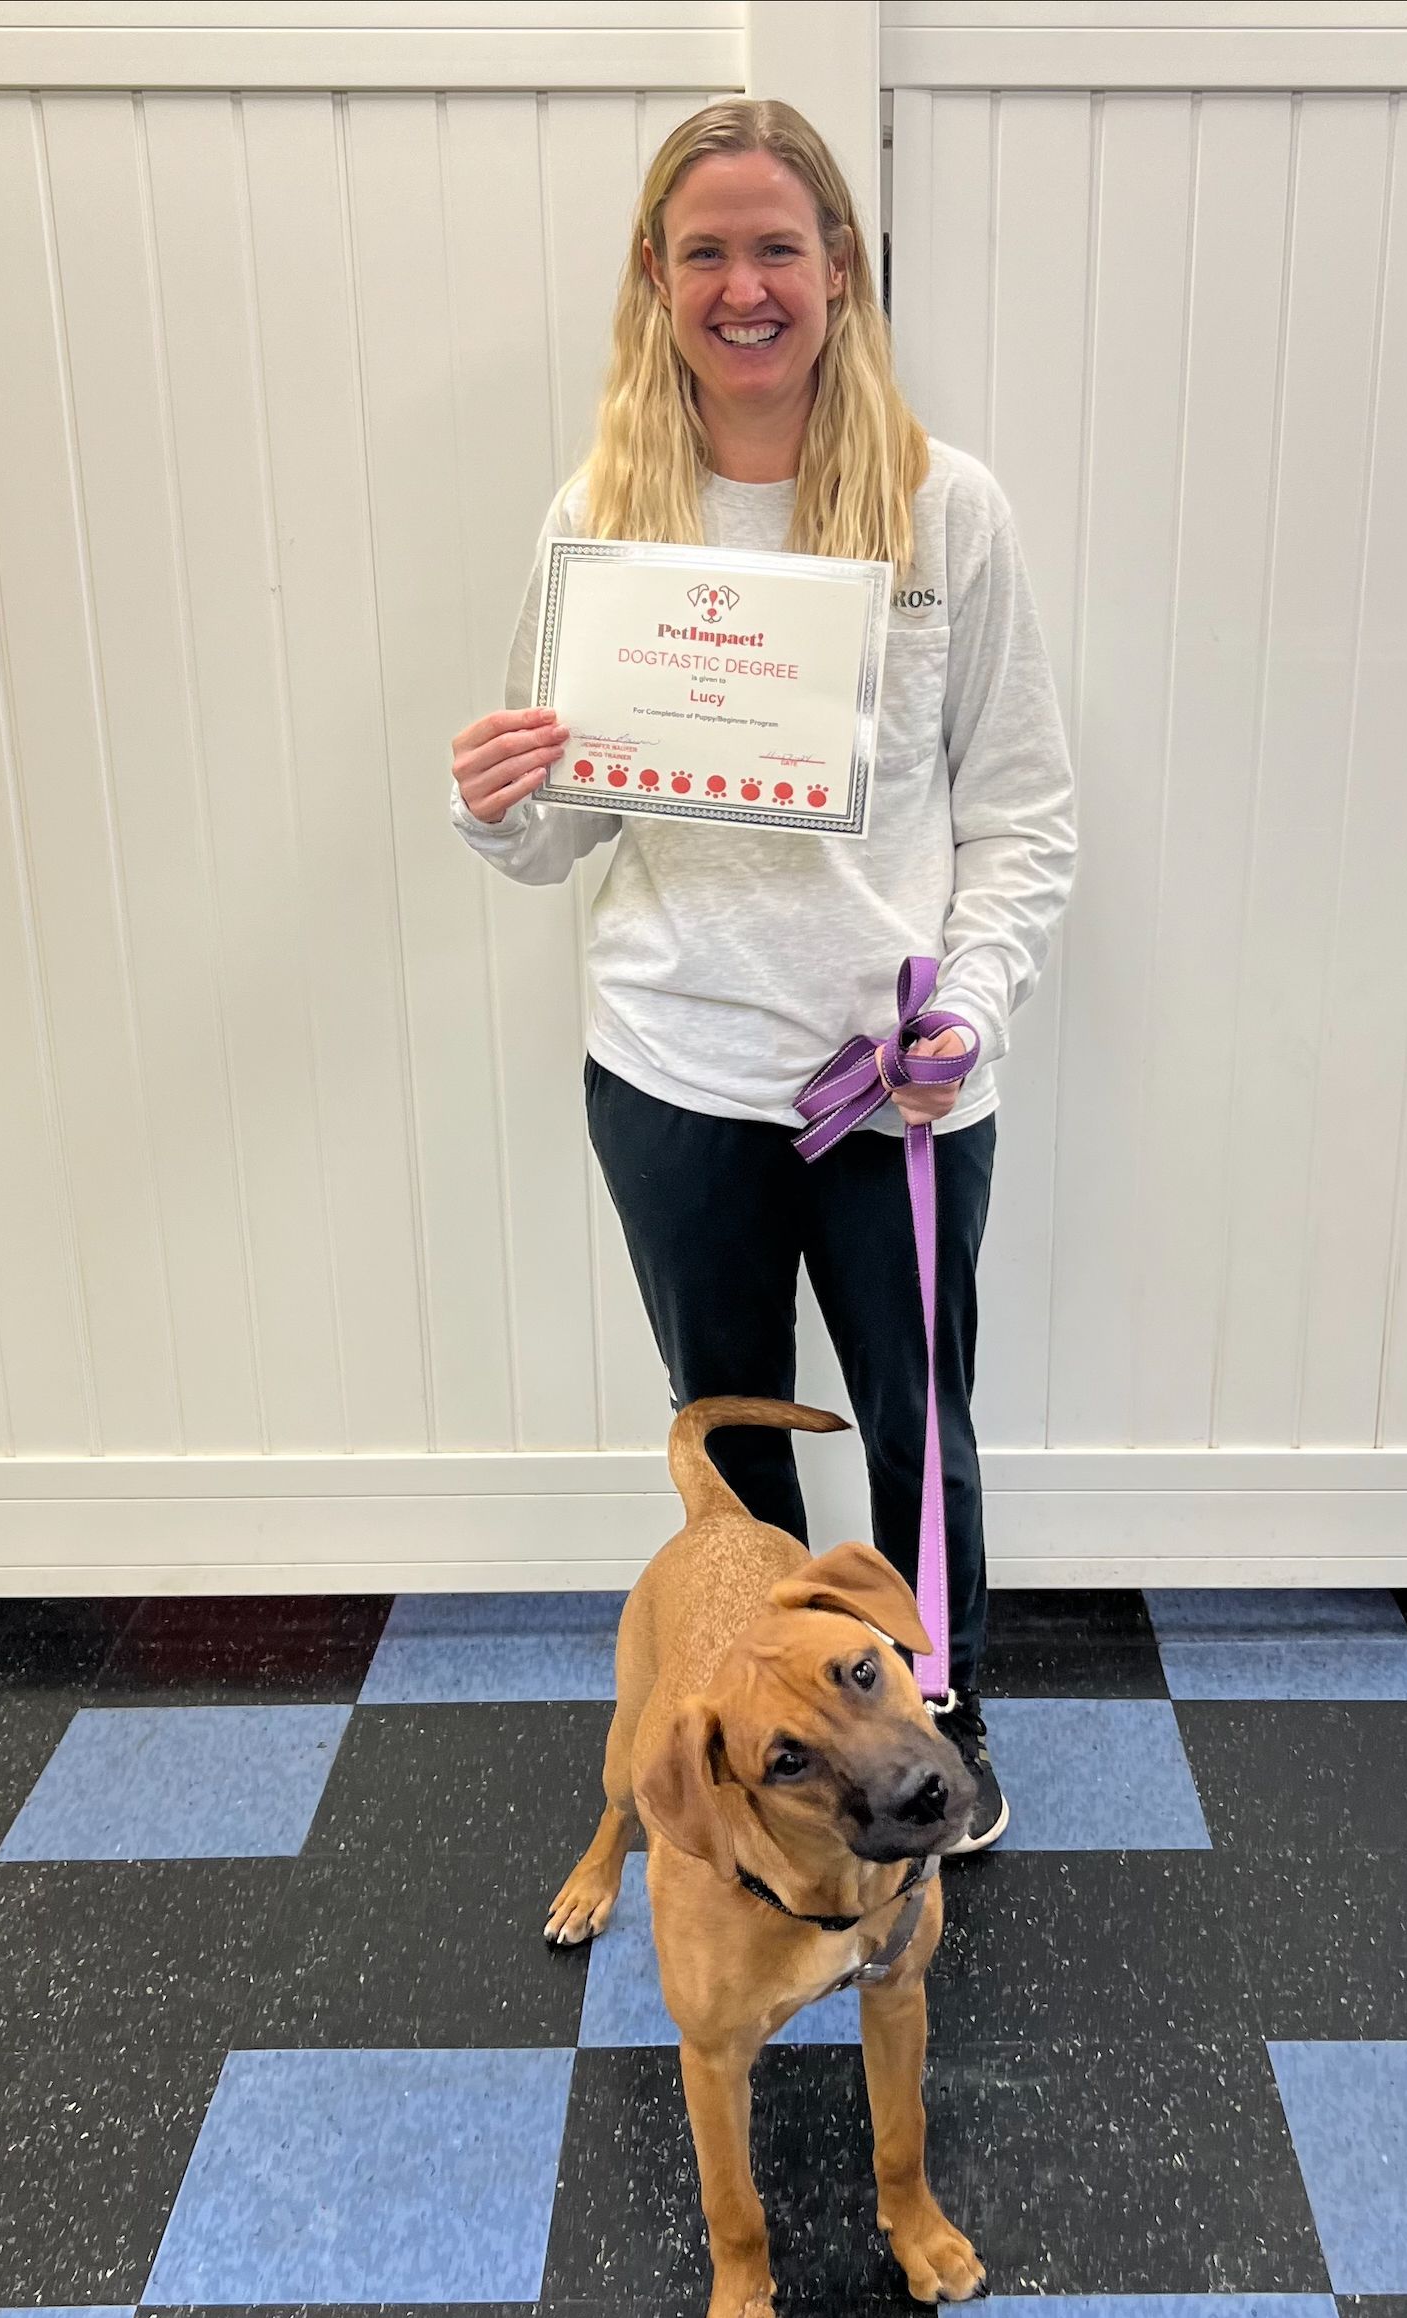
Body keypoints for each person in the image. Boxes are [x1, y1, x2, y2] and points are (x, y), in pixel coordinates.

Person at [449, 98, 1075, 1852]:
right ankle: (771, 1765)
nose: (745, 286)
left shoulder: (944, 509)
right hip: (673, 1073)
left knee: (913, 1437)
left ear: (840, 270)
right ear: (654, 280)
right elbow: (552, 830)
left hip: (900, 1082)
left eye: (777, 247)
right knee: (734, 1460)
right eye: (705, 250)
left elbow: (1024, 810)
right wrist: (492, 802)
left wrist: (976, 1004)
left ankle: (936, 1745)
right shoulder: (607, 512)